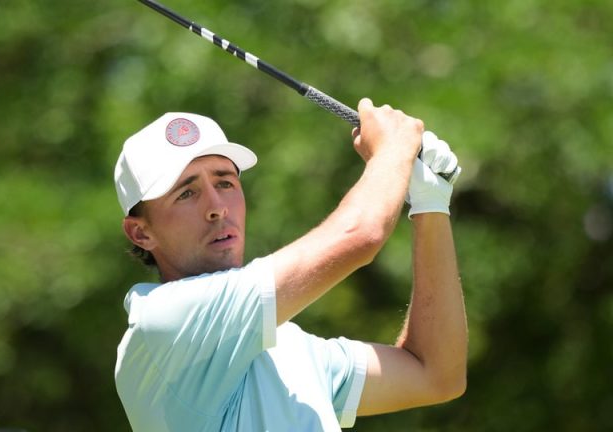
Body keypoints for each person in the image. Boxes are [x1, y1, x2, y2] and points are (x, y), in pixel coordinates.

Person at [113, 99, 467, 431]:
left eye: (225, 182)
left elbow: (435, 374)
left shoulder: (290, 346)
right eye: (186, 193)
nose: (217, 206)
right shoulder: (163, 323)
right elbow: (361, 235)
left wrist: (430, 204)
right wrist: (394, 150)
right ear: (141, 233)